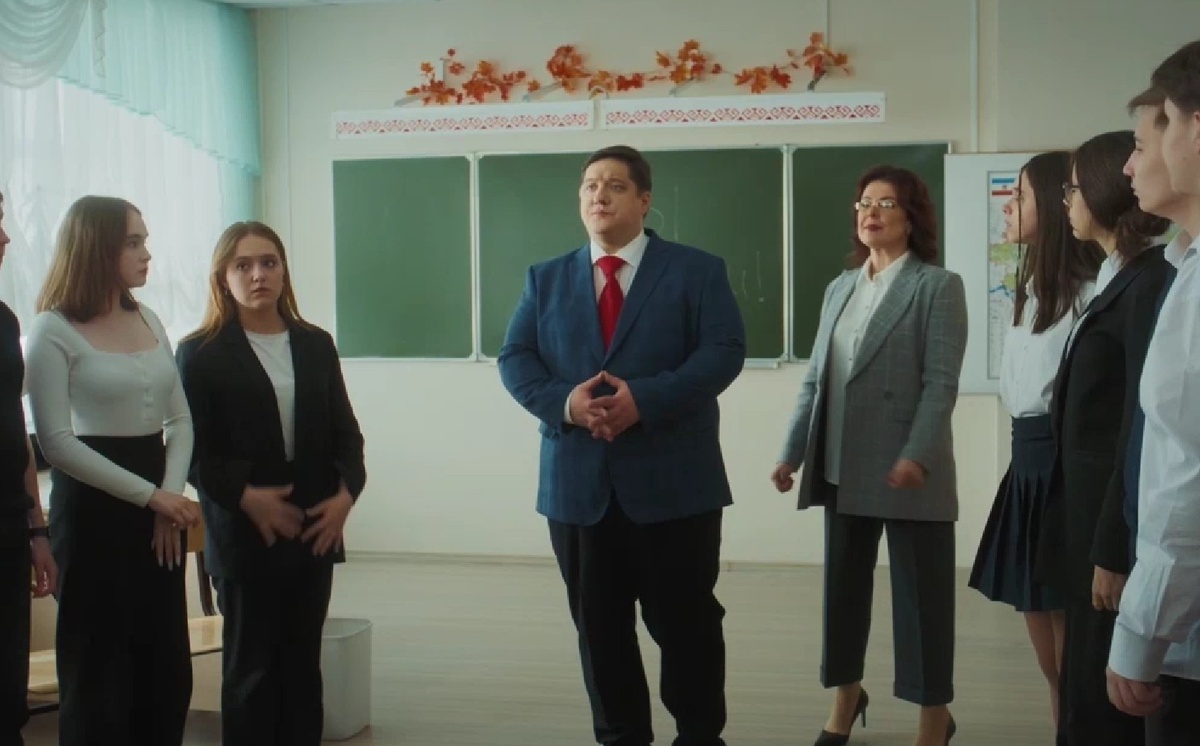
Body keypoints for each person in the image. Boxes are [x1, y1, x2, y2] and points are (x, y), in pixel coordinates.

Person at [497, 144, 746, 746]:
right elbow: (516, 357)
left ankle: (699, 735)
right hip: (579, 488)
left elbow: (723, 352)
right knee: (599, 630)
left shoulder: (696, 270)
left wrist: (646, 400)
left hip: (675, 486)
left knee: (686, 624)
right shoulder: (545, 278)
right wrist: (567, 404)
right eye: (589, 186)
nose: (598, 196)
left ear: (644, 199)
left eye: (614, 185)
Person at [772, 166, 967, 746]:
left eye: (886, 203)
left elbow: (940, 384)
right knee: (843, 597)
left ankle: (933, 721)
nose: (871, 212)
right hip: (842, 465)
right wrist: (791, 453)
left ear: (912, 216)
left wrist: (918, 455)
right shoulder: (841, 287)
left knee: (923, 604)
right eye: (863, 203)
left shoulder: (937, 286)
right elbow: (816, 380)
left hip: (911, 471)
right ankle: (845, 699)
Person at [176, 221, 366, 746]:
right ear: (223, 277)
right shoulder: (200, 352)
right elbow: (191, 450)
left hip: (314, 528)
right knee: (252, 674)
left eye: (269, 262)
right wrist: (245, 497)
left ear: (283, 271)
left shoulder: (314, 344)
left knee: (302, 669)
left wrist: (345, 498)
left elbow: (347, 435)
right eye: (243, 265)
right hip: (244, 533)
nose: (258, 274)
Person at [25, 195, 200, 746]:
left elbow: (180, 420)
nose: (147, 254)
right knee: (99, 672)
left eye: (145, 241)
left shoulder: (148, 317)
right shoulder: (52, 329)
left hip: (158, 511)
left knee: (164, 667)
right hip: (93, 513)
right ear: (96, 247)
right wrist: (153, 497)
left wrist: (168, 499)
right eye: (133, 242)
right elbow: (56, 443)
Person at [969, 151, 1102, 730]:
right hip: (1025, 462)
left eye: (1020, 196)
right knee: (1047, 655)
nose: (1008, 206)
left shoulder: (1090, 292)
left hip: (1061, 465)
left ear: (1050, 205)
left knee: (1072, 645)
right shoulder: (1027, 292)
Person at [1048, 130, 1172, 746]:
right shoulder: (1113, 275)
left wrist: (1112, 546)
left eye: (1072, 188)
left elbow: (1136, 427)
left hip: (1108, 518)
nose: (1066, 201)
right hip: (1086, 510)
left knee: (1102, 699)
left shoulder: (1149, 282)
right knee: (1081, 679)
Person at [1108, 39, 1200, 746]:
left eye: (1143, 142)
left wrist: (1140, 632)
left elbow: (1188, 473)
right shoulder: (1184, 263)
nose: (1129, 166)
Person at [0, 191, 57, 746]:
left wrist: (37, 531)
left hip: (8, 527)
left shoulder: (4, 321)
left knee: (7, 687)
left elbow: (15, 427)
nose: (5, 237)